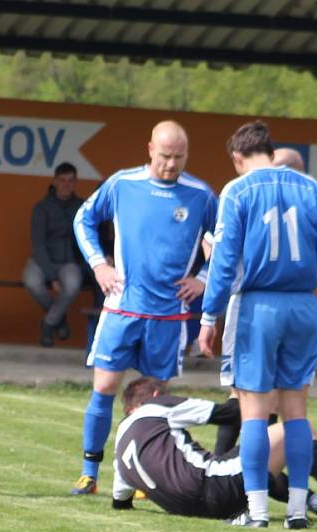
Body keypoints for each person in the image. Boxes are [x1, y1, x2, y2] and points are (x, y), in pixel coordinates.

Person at [199, 121, 317, 529]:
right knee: (296, 411)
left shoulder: (237, 189)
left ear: (239, 158)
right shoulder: (311, 187)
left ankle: (257, 510)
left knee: (255, 413)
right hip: (303, 306)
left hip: (258, 306)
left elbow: (223, 262)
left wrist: (209, 317)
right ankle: (297, 509)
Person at [70, 120, 217, 495]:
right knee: (103, 386)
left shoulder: (200, 195)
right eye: (165, 156)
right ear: (150, 148)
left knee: (156, 397)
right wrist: (99, 265)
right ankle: (90, 473)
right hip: (123, 307)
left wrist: (203, 276)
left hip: (168, 315)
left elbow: (225, 243)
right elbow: (82, 219)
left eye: (179, 157)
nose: (171, 164)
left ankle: (145, 478)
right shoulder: (122, 184)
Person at [111, 377, 317, 521]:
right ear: (155, 394)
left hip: (193, 510)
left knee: (251, 461)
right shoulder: (156, 406)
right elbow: (229, 413)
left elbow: (120, 502)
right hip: (214, 489)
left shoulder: (120, 444)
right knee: (297, 429)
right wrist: (241, 385)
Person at [22, 162, 86, 347]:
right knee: (31, 282)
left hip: (69, 262)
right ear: (55, 181)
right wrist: (52, 277)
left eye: (70, 181)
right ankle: (59, 318)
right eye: (62, 180)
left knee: (73, 285)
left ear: (75, 183)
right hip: (42, 260)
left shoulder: (82, 206)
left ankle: (49, 324)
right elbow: (38, 244)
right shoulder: (42, 207)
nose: (66, 184)